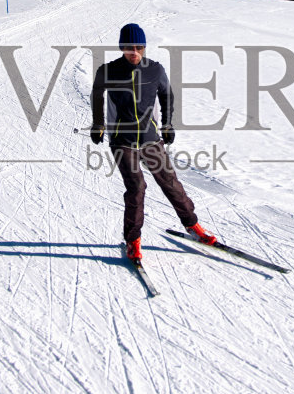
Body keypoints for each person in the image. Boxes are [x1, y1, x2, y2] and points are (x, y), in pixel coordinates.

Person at [90, 23, 217, 262]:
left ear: (144, 47)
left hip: (150, 137)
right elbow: (97, 94)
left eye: (139, 47)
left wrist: (167, 124)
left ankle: (193, 227)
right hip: (122, 139)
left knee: (170, 182)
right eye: (129, 47)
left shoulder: (155, 70)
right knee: (137, 187)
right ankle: (133, 240)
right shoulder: (108, 71)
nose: (134, 52)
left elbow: (167, 95)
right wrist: (98, 124)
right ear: (121, 47)